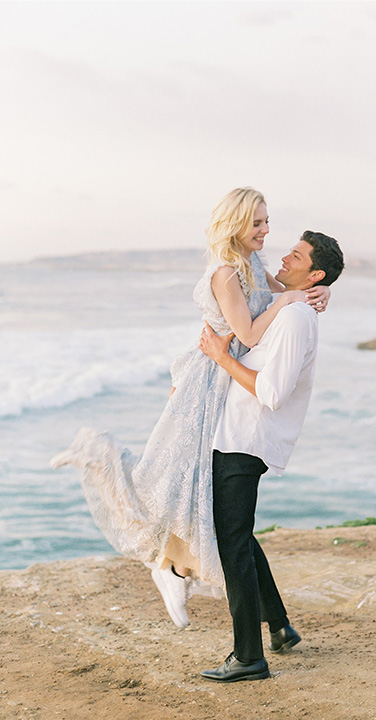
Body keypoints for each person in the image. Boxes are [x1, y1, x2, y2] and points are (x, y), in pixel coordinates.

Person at [50, 189, 330, 630]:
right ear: (236, 223)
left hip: (226, 380)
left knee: (201, 499)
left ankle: (185, 575)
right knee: (171, 484)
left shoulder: (252, 264)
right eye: (257, 223)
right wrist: (287, 301)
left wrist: (319, 289)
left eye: (267, 221)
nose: (266, 231)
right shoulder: (225, 274)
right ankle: (102, 462)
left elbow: (290, 290)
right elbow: (251, 334)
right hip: (210, 381)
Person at [197, 230, 345, 682]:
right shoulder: (294, 305)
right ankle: (278, 626)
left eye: (296, 255)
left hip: (248, 438)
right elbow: (260, 281)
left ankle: (248, 656)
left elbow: (272, 392)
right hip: (239, 434)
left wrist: (221, 359)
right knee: (239, 533)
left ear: (314, 272)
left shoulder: (297, 318)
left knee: (232, 541)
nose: (284, 254)